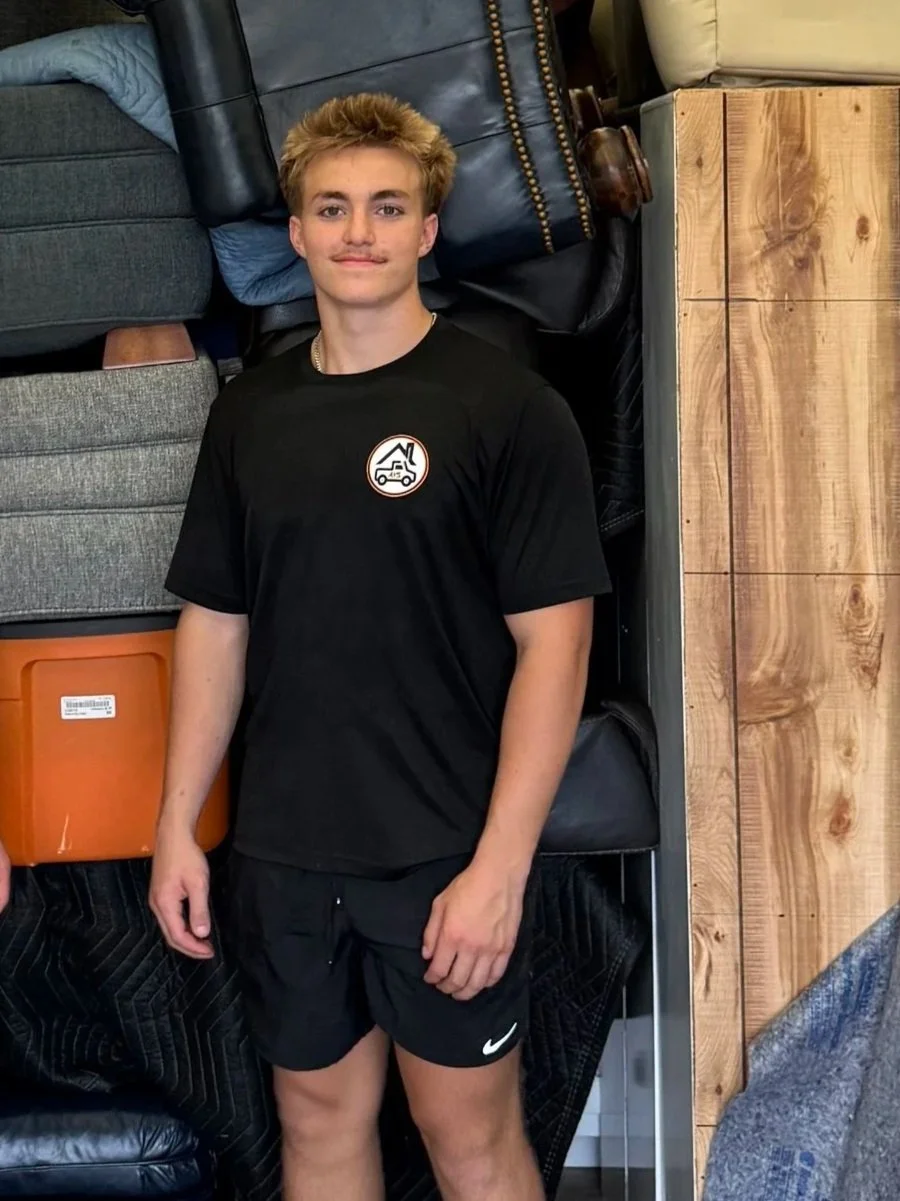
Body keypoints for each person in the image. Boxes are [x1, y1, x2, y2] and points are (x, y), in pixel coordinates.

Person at [149, 92, 610, 1201]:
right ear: (296, 233)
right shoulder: (248, 415)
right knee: (315, 1123)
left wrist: (498, 870)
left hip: (443, 854)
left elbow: (557, 647)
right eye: (333, 207)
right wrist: (177, 824)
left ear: (427, 229)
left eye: (388, 206)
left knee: (468, 1138)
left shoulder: (505, 408)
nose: (359, 230)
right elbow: (216, 623)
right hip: (287, 856)